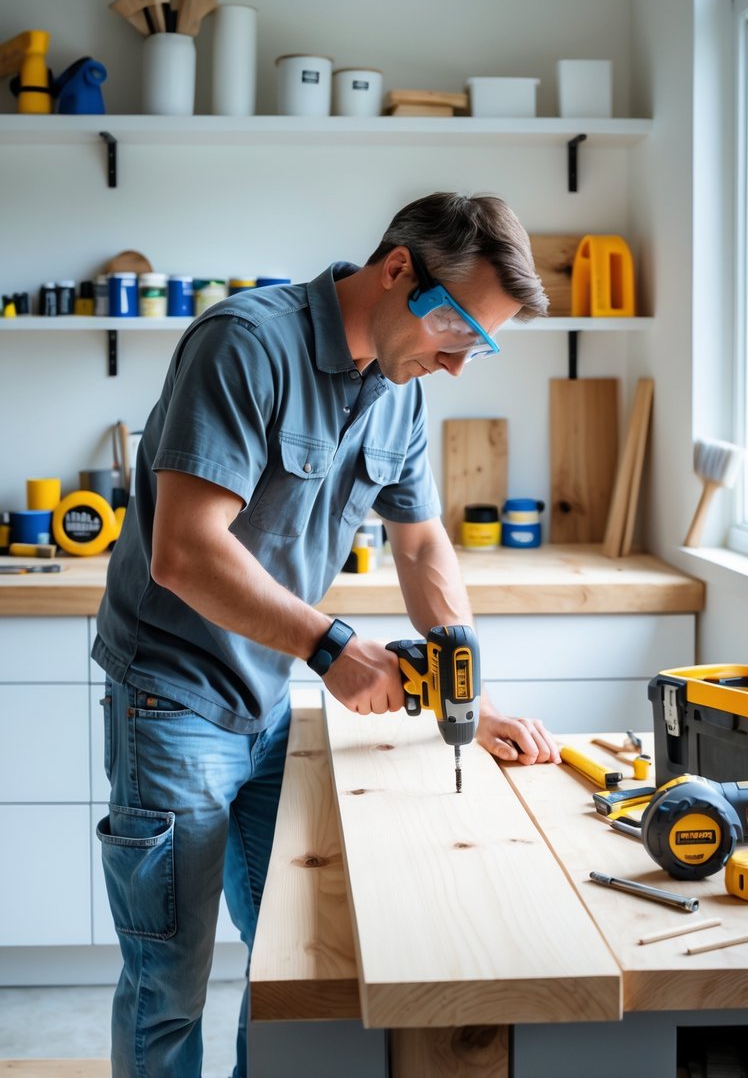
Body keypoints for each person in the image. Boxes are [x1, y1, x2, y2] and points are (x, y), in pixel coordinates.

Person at [92, 190, 561, 1078]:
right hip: (172, 700)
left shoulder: (400, 392)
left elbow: (421, 547)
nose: (458, 364)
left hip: (272, 705)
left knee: (292, 969)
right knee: (168, 989)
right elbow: (184, 554)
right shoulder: (246, 344)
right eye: (457, 329)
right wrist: (333, 648)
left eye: (479, 344)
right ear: (397, 272)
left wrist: (470, 697)